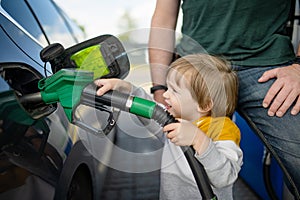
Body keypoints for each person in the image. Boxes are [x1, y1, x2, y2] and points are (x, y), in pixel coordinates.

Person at [148, 0, 300, 195]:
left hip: (268, 65)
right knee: (187, 165)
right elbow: (164, 17)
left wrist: (298, 66)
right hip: (195, 68)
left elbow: (224, 175)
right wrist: (159, 88)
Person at [95, 54, 243, 199]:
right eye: (168, 88)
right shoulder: (174, 120)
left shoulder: (223, 129)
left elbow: (225, 177)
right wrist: (126, 89)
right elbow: (151, 112)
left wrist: (199, 139)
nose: (165, 95)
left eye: (174, 91)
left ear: (204, 104)